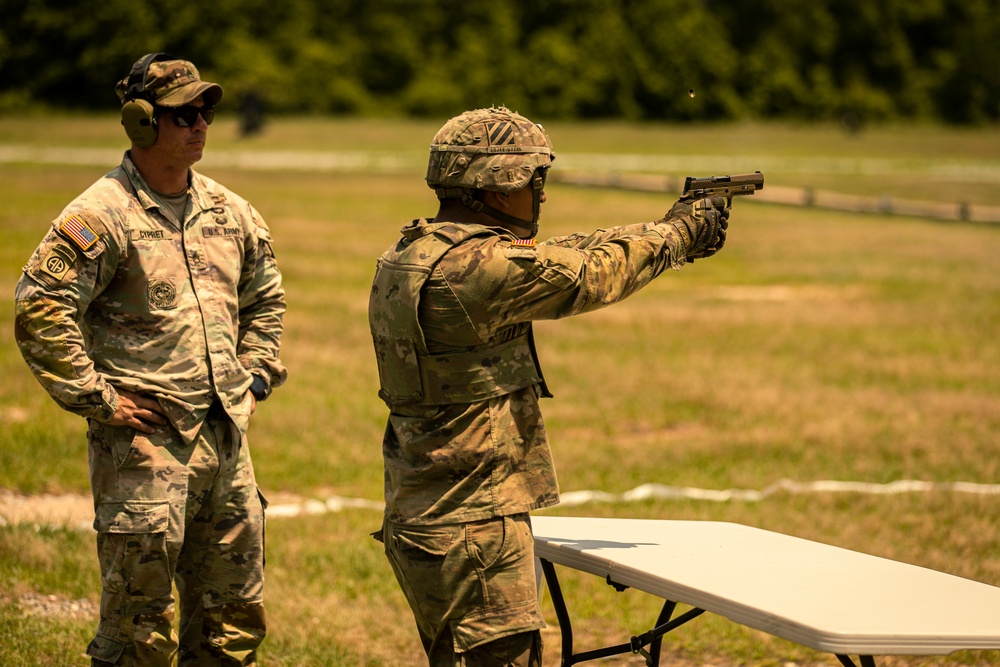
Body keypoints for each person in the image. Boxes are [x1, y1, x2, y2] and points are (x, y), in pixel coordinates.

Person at [367, 106, 730, 666]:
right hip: (474, 524)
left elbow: (562, 251)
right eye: (534, 178)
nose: (541, 192)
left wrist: (658, 227)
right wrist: (679, 235)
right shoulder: (480, 270)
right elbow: (589, 275)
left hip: (431, 510)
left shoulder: (417, 251)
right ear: (496, 185)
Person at [13, 53, 287, 666]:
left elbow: (265, 297)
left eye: (206, 111)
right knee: (139, 630)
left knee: (232, 623)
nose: (200, 124)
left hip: (226, 440)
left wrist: (256, 370)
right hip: (145, 449)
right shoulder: (101, 213)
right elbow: (41, 309)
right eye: (182, 113)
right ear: (141, 123)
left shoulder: (230, 211)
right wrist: (100, 400)